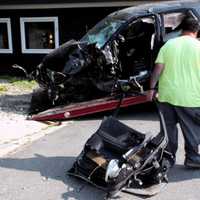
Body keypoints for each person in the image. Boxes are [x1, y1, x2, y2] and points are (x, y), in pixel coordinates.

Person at [148, 17, 200, 168]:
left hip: (167, 96)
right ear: (196, 31)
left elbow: (158, 68)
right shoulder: (198, 47)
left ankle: (167, 159)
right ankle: (192, 158)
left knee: (168, 129)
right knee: (192, 129)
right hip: (190, 98)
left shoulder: (169, 45)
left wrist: (151, 89)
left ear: (181, 29)